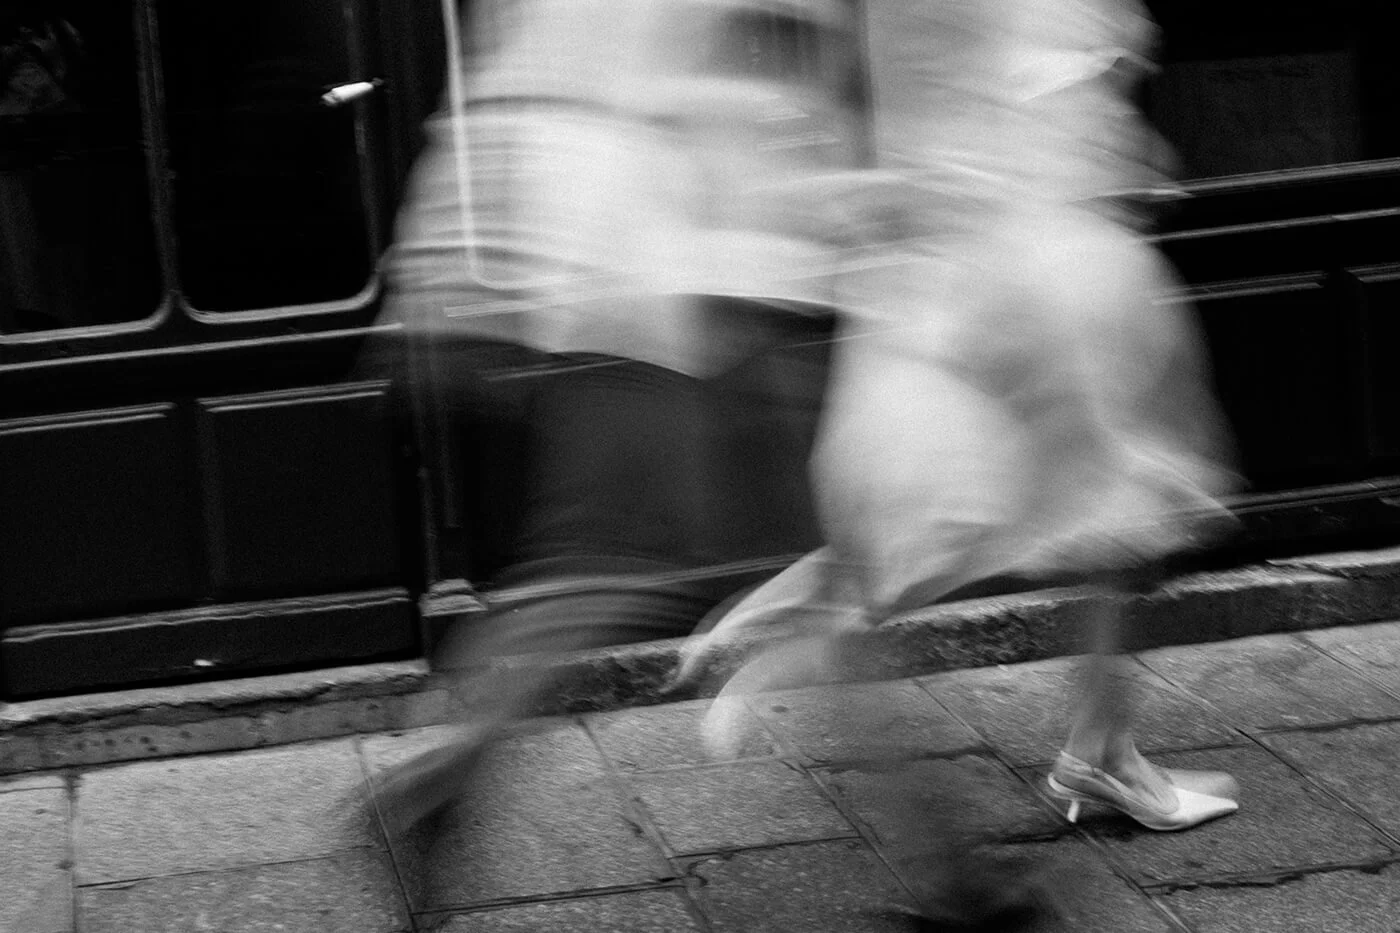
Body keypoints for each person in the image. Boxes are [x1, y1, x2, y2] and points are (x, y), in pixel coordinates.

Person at [677, 0, 1242, 840]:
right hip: (1018, 263)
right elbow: (1026, 83)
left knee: (1087, 517)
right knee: (1057, 509)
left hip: (974, 256)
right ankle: (789, 635)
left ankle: (1102, 749)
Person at [366, 0, 864, 836]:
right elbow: (733, 85)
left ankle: (447, 773)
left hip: (623, 276)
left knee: (629, 565)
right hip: (691, 282)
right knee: (726, 568)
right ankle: (943, 864)